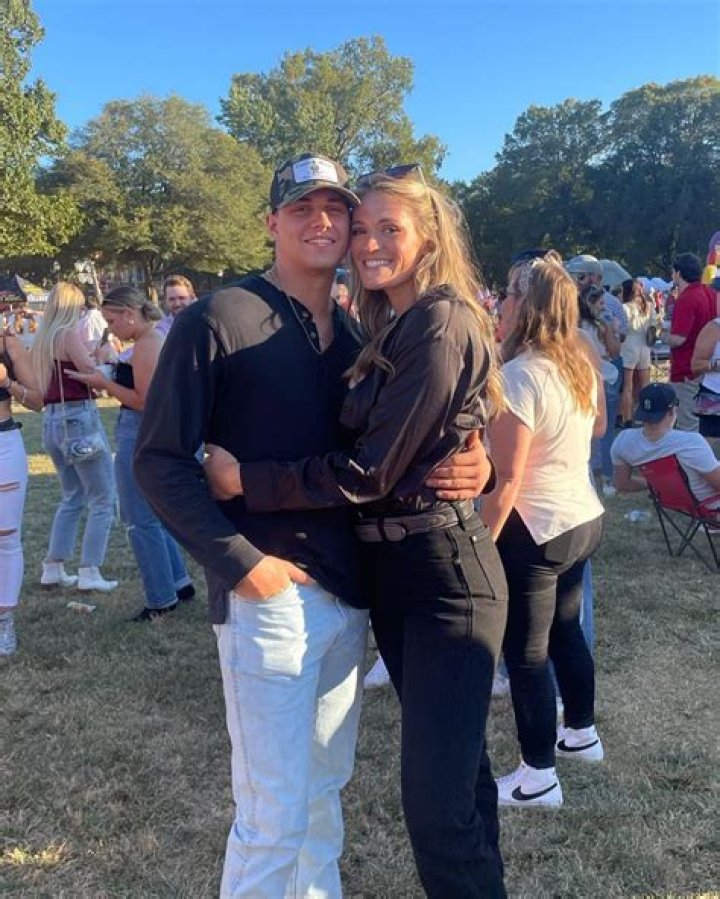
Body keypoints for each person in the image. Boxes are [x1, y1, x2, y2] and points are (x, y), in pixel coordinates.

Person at [133, 153, 489, 898]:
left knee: (324, 799)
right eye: (303, 209)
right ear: (272, 222)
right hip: (269, 598)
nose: (325, 224)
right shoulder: (217, 319)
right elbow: (160, 462)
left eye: (338, 211)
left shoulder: (363, 334)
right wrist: (243, 565)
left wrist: (476, 456)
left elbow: (405, 437)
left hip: (352, 597)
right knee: (272, 816)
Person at [482, 257, 606, 809]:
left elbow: (507, 478)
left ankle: (538, 777)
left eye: (510, 293)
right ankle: (581, 733)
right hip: (580, 517)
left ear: (527, 305)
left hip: (538, 526)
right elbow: (594, 428)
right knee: (565, 631)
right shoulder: (574, 364)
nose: (502, 302)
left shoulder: (520, 375)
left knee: (527, 654)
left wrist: (481, 541)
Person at [68, 286, 195, 621]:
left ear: (128, 313)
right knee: (152, 516)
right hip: (144, 432)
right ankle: (178, 583)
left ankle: (160, 598)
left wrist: (105, 384)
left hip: (139, 432)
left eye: (112, 321)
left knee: (138, 519)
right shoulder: (149, 340)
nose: (111, 328)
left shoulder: (148, 343)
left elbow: (143, 401)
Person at [30, 282, 117, 592]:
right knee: (103, 497)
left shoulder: (43, 338)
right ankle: (90, 569)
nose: (82, 311)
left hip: (53, 421)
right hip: (78, 418)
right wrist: (104, 357)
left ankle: (53, 567)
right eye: (79, 306)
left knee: (72, 495)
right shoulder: (67, 334)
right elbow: (91, 372)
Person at [0, 333, 43, 654]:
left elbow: (38, 401)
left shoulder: (8, 345)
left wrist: (6, 382)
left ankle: (4, 621)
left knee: (5, 536)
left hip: (3, 446)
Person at [612, 382, 720, 501]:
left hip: (674, 502)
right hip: (708, 504)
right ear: (672, 410)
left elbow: (622, 483)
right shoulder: (692, 443)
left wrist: (657, 483)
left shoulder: (623, 440)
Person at [663, 253, 716, 431]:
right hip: (706, 367)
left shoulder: (686, 299)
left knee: (687, 424)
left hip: (687, 369)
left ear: (679, 273)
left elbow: (679, 339)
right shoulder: (709, 293)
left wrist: (662, 336)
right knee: (705, 425)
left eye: (673, 272)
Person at [578, 282, 622, 497]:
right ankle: (607, 478)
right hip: (604, 374)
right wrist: (612, 330)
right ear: (591, 303)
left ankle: (588, 475)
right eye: (601, 303)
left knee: (583, 428)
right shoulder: (603, 325)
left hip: (582, 377)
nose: (605, 307)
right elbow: (615, 352)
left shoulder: (573, 326)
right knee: (606, 430)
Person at [619, 278, 658, 428]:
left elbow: (622, 329)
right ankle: (646, 414)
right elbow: (653, 327)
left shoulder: (625, 307)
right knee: (645, 385)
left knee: (627, 386)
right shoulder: (649, 306)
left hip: (629, 346)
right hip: (644, 347)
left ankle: (627, 417)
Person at [690, 315, 720, 441]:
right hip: (715, 400)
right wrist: (717, 365)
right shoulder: (714, 328)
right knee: (712, 447)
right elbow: (696, 365)